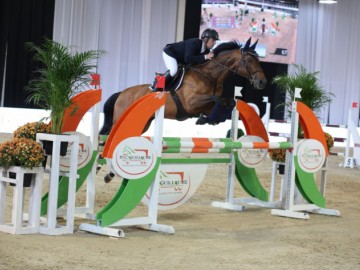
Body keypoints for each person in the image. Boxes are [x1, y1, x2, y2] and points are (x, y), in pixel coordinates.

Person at [150, 28, 219, 91]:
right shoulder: (195, 43)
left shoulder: (206, 51)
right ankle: (157, 86)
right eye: (213, 40)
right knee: (174, 70)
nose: (214, 43)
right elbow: (188, 59)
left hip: (180, 58)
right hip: (170, 52)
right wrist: (205, 57)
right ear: (206, 39)